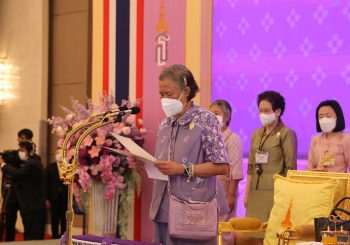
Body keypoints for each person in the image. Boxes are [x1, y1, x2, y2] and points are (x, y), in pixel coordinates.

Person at [142, 64, 229, 245]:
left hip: (192, 211)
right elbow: (163, 165)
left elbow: (221, 166)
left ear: (186, 91)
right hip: (162, 208)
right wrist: (146, 163)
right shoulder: (165, 125)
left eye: (169, 94)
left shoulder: (206, 120)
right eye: (161, 94)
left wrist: (183, 169)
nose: (164, 99)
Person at [244, 90, 297, 222]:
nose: (262, 114)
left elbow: (290, 168)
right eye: (260, 111)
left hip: (275, 192)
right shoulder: (256, 134)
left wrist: (286, 195)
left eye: (266, 111)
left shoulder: (287, 133)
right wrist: (247, 193)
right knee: (254, 233)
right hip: (255, 191)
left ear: (277, 112)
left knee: (271, 234)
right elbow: (251, 166)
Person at [210, 100, 243, 245]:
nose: (212, 117)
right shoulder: (210, 138)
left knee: (224, 230)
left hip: (225, 189)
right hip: (209, 190)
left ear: (227, 117)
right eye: (210, 114)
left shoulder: (233, 139)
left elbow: (235, 169)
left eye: (216, 114)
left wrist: (230, 195)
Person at [0, 141, 46, 240]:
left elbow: (18, 173)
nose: (19, 153)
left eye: (21, 150)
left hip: (33, 205)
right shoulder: (32, 162)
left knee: (33, 235)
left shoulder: (32, 163)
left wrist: (3, 165)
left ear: (28, 151)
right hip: (32, 205)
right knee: (30, 233)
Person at [1, 128, 36, 241]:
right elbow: (6, 170)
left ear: (30, 140)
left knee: (27, 222)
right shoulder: (12, 154)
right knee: (9, 221)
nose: (22, 140)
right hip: (11, 193)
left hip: (26, 194)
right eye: (21, 138)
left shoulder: (34, 158)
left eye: (25, 138)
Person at [307, 100, 350, 172]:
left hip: (338, 182)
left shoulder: (346, 139)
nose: (324, 119)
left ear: (337, 117)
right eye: (320, 117)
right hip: (318, 181)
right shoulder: (315, 140)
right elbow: (309, 167)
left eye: (328, 116)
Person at [46, 148, 68, 238]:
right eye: (57, 153)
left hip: (65, 198)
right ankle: (54, 237)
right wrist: (46, 199)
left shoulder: (68, 167)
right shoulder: (49, 167)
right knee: (54, 219)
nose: (59, 155)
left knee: (64, 219)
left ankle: (63, 237)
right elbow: (46, 184)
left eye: (61, 153)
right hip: (53, 198)